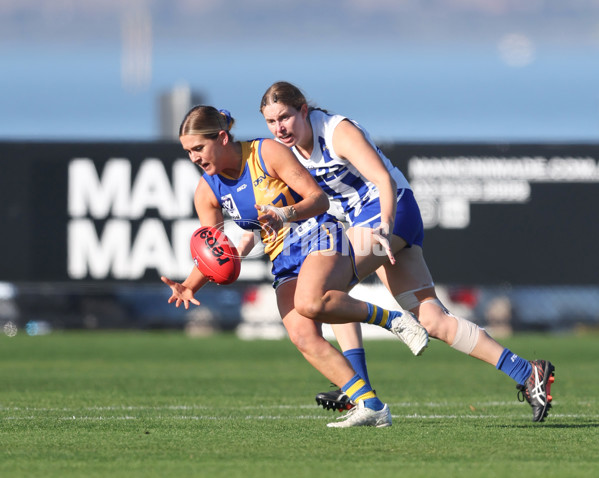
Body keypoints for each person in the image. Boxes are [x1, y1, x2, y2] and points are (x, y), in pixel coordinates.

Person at [259, 81, 556, 423]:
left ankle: (358, 390)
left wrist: (384, 226)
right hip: (369, 224)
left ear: (304, 110)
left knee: (324, 293)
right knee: (433, 320)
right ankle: (527, 372)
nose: (279, 127)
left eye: (285, 117)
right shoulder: (288, 151)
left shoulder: (337, 131)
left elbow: (383, 180)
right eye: (271, 122)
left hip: (392, 213)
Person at [160, 105, 429, 428]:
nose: (194, 158)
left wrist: (284, 214)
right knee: (302, 335)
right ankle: (370, 405)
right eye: (188, 152)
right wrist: (190, 284)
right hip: (283, 257)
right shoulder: (207, 191)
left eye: (198, 148)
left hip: (319, 235)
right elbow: (214, 251)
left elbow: (319, 199)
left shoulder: (265, 153)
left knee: (309, 302)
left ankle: (394, 320)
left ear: (221, 137)